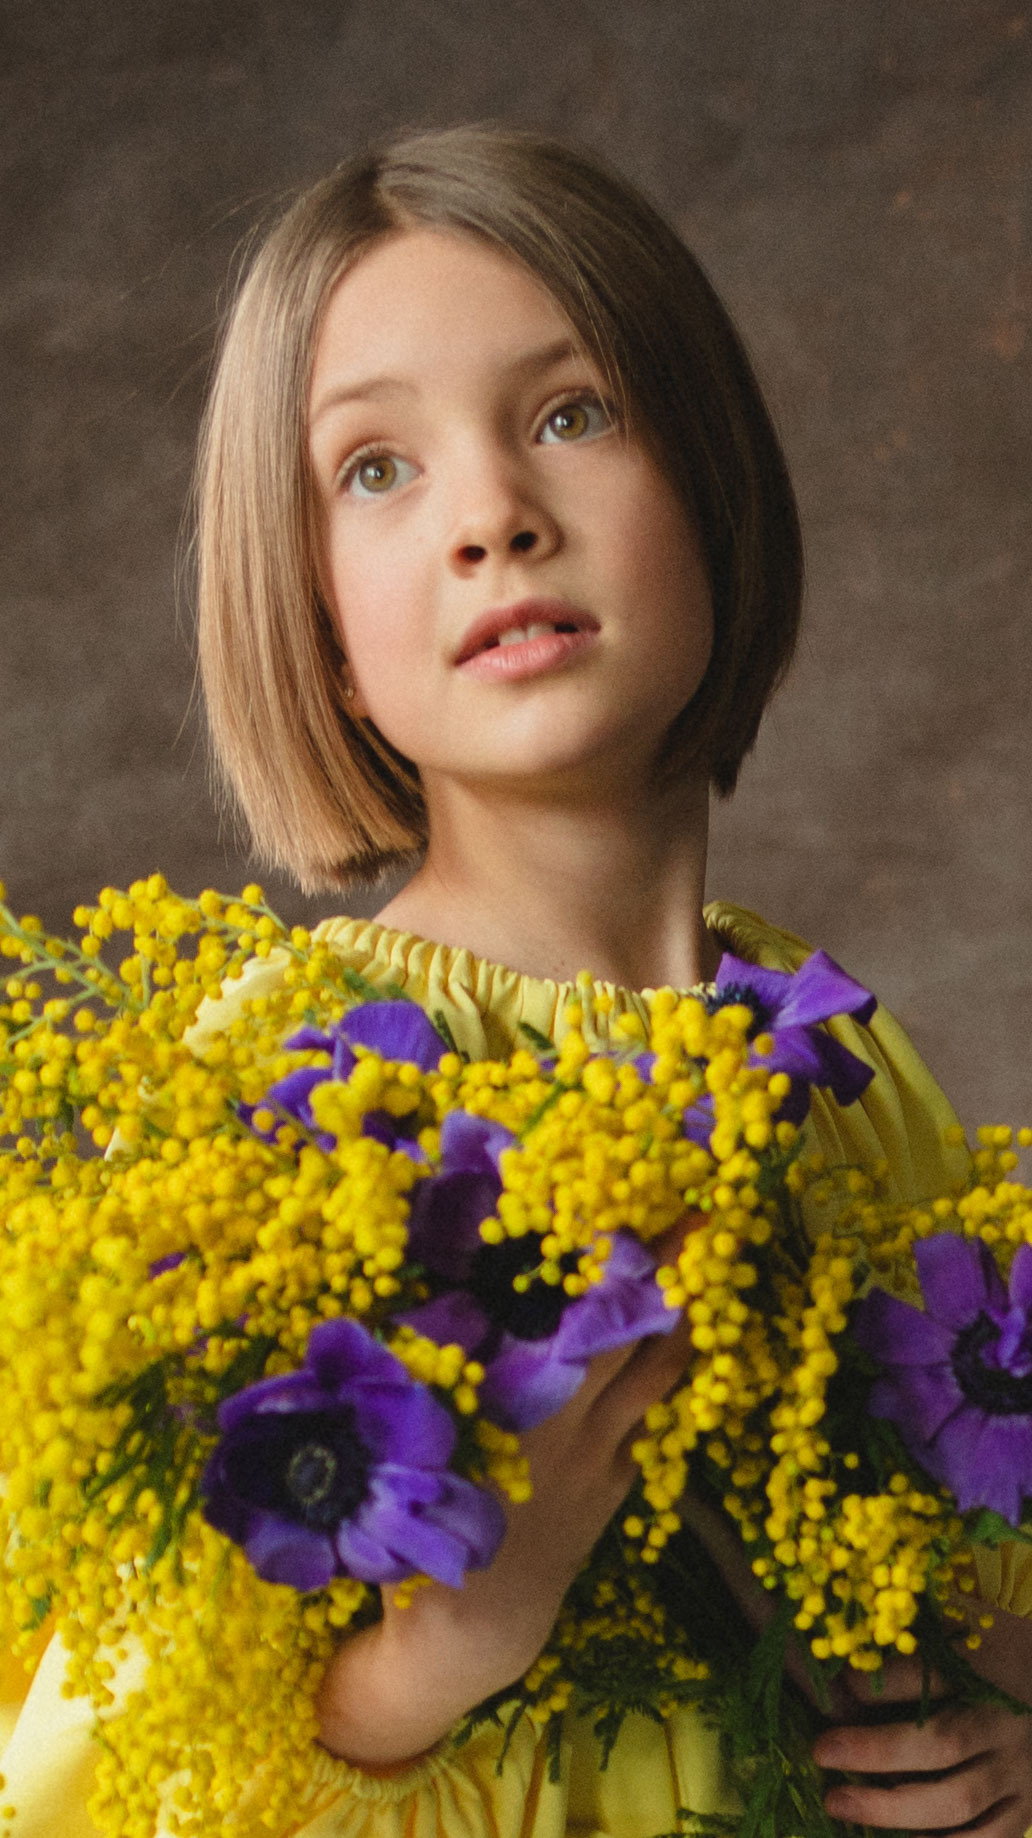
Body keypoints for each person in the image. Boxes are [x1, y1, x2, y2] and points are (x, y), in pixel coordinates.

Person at [3, 124, 1031, 1837]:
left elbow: (985, 1584)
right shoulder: (284, 1089)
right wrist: (444, 1645)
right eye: (375, 470)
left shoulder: (851, 1066)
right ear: (323, 635)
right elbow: (85, 1772)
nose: (495, 514)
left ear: (710, 483)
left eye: (571, 413)